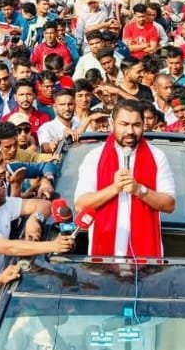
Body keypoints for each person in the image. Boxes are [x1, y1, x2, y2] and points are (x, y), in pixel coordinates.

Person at [72, 100, 177, 259]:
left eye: (136, 125)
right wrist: (114, 188)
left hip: (146, 258)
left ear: (144, 125)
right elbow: (81, 204)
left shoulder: (157, 156)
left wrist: (139, 190)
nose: (130, 131)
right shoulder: (94, 157)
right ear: (112, 123)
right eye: (124, 124)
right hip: (103, 257)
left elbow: (169, 205)